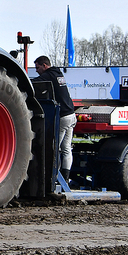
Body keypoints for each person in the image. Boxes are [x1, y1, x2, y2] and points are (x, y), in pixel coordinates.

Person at [32, 55, 77, 183]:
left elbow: (35, 82)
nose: (36, 70)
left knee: (54, 147)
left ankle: (53, 177)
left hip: (63, 117)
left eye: (37, 67)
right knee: (66, 148)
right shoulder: (58, 73)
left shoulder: (49, 75)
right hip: (71, 115)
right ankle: (66, 178)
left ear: (44, 66)